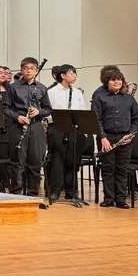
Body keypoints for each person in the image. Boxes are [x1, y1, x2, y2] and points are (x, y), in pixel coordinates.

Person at [3, 57, 52, 195]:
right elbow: (5, 108)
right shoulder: (13, 87)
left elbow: (48, 109)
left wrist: (39, 111)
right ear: (21, 70)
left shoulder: (42, 88)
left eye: (31, 68)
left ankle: (32, 194)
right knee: (17, 162)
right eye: (25, 68)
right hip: (18, 127)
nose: (28, 71)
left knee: (36, 162)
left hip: (36, 127)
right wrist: (17, 117)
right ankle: (16, 194)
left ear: (36, 71)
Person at [92, 69, 138, 208]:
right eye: (113, 80)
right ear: (107, 82)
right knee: (108, 168)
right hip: (107, 137)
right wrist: (103, 138)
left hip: (125, 138)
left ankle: (120, 199)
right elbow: (96, 119)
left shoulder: (129, 98)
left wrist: (131, 134)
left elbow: (137, 118)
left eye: (119, 79)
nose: (117, 82)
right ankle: (108, 198)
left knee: (122, 169)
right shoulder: (99, 97)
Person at [46, 64, 88, 202]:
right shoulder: (52, 92)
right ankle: (55, 191)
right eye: (71, 73)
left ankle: (71, 191)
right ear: (63, 75)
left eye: (75, 73)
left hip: (74, 130)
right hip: (57, 128)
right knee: (57, 160)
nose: (75, 75)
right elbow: (47, 112)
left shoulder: (77, 92)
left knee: (73, 160)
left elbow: (82, 111)